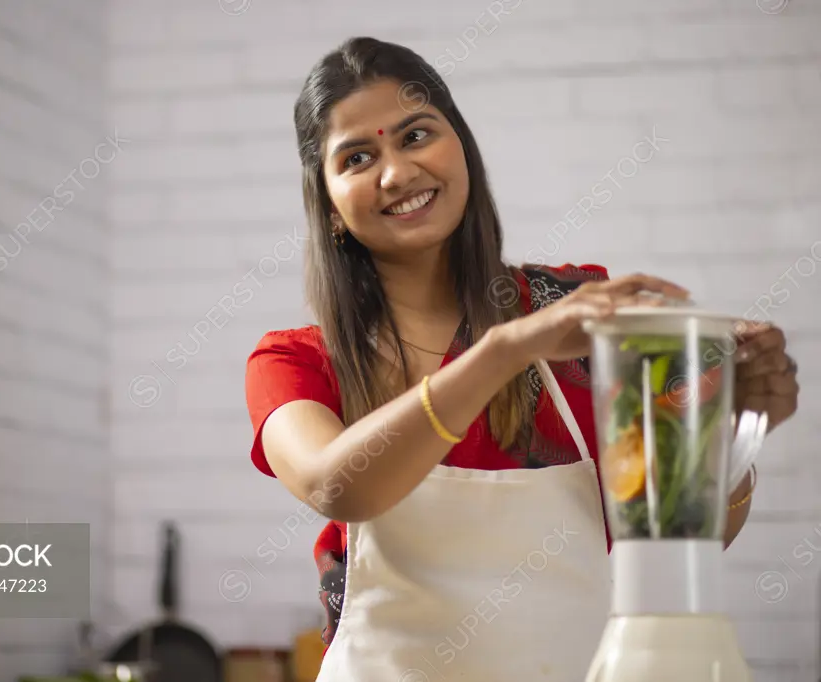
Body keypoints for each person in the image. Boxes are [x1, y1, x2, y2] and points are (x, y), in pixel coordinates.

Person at [243, 37, 800, 682]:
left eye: (416, 135)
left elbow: (680, 530)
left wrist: (729, 437)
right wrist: (509, 347)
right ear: (330, 205)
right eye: (358, 157)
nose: (396, 173)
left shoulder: (573, 312)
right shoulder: (299, 360)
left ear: (462, 150)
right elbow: (338, 485)